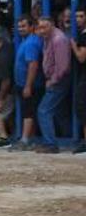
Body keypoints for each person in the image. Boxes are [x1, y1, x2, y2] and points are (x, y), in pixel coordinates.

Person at [35, 16, 72, 154]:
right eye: (40, 27)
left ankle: (51, 144)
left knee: (44, 110)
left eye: (45, 27)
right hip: (55, 79)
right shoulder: (48, 38)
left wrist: (52, 80)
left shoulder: (58, 40)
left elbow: (63, 66)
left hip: (59, 80)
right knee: (59, 111)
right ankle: (66, 138)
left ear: (52, 25)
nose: (42, 30)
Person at [9, 17, 44, 152]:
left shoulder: (31, 43)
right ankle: (30, 139)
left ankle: (24, 140)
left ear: (31, 27)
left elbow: (33, 65)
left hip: (30, 85)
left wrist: (28, 85)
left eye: (23, 26)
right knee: (29, 112)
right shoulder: (27, 41)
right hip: (25, 84)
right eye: (19, 26)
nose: (20, 29)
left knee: (28, 113)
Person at [72, 7, 86, 155]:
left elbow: (81, 57)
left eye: (81, 16)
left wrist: (73, 45)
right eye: (76, 17)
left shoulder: (83, 35)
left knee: (82, 107)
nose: (78, 20)